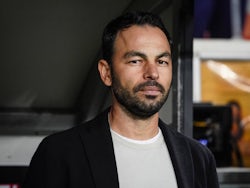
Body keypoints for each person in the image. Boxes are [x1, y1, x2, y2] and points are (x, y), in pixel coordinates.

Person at [23, 11, 219, 188]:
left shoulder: (198, 159)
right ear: (106, 72)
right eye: (136, 61)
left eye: (161, 61)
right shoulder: (59, 154)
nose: (152, 73)